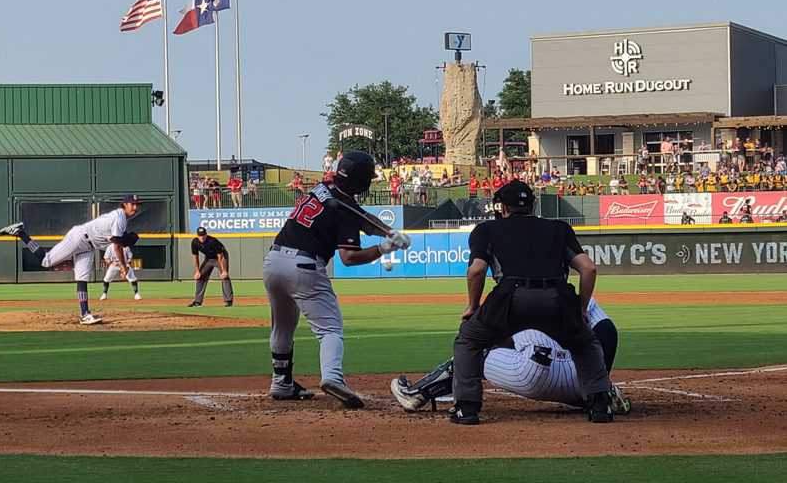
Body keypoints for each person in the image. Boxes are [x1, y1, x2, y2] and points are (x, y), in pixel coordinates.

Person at [449, 181, 614, 425]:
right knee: (585, 344)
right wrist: (580, 309)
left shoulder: (486, 230)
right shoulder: (559, 228)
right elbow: (588, 268)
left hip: (510, 299)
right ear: (533, 205)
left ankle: (467, 408)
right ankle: (600, 406)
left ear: (503, 207)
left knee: (469, 340)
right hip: (557, 298)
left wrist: (473, 306)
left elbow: (476, 270)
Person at [263, 151, 411, 406]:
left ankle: (281, 383)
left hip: (273, 262)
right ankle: (332, 377)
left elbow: (362, 217)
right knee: (330, 329)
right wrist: (384, 248)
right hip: (304, 267)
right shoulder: (343, 210)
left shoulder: (325, 188)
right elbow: (349, 258)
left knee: (282, 326)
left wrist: (389, 232)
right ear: (361, 182)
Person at [391, 297, 631, 415]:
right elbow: (607, 331)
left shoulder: (510, 294)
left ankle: (417, 394)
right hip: (585, 382)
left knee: (474, 353)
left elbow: (482, 338)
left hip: (533, 373)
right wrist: (599, 382)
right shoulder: (573, 293)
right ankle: (603, 395)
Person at [0, 195, 141, 325]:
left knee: (82, 278)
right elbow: (117, 246)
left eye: (137, 204)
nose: (135, 207)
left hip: (89, 246)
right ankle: (20, 232)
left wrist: (126, 241)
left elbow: (117, 240)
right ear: (125, 204)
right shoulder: (120, 217)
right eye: (132, 204)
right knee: (46, 261)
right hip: (79, 237)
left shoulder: (121, 220)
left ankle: (85, 314)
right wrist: (124, 266)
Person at [188, 227, 234, 307]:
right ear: (197, 236)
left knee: (224, 277)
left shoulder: (212, 241)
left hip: (221, 257)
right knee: (200, 276)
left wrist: (224, 270)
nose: (202, 237)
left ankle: (228, 301)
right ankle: (197, 301)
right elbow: (195, 257)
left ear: (206, 234)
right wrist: (197, 271)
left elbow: (220, 256)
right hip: (209, 258)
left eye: (203, 235)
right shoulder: (195, 242)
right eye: (200, 235)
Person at [100, 232, 142, 301]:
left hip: (125, 264)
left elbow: (130, 257)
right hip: (114, 265)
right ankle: (104, 294)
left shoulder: (126, 247)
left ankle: (136, 294)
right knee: (107, 279)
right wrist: (111, 263)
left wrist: (127, 265)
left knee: (132, 278)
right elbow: (106, 258)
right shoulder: (110, 247)